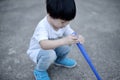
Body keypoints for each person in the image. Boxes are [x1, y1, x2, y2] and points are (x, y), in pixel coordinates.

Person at [27, 0, 84, 80]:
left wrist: (77, 37)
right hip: (38, 51)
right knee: (50, 54)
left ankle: (59, 60)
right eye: (63, 22)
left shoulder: (63, 24)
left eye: (68, 22)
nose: (65, 25)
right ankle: (39, 70)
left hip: (52, 48)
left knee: (67, 44)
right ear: (50, 14)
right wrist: (64, 40)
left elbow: (70, 32)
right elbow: (44, 44)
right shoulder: (42, 26)